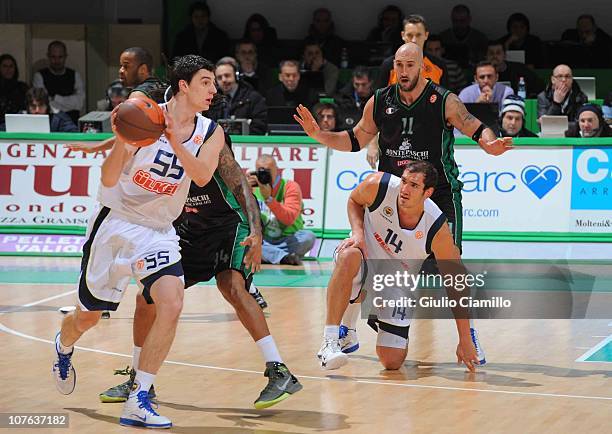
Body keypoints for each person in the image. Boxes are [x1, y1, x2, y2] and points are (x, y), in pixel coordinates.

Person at [52, 54, 224, 429]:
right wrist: (116, 143)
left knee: (173, 302)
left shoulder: (211, 132)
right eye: (206, 82)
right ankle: (64, 346)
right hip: (116, 221)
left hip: (159, 229)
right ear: (184, 85)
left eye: (214, 83)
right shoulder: (140, 114)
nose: (214, 89)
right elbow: (110, 180)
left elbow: (200, 176)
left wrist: (173, 141)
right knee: (88, 317)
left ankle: (139, 396)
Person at [99, 134, 302, 409]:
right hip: (190, 230)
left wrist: (256, 232)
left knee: (231, 286)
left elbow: (243, 188)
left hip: (229, 226)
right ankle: (139, 378)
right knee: (145, 297)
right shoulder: (156, 143)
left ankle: (279, 370)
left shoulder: (211, 139)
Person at [295, 42, 512, 253]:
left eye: (409, 64)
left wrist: (489, 143)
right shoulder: (380, 100)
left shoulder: (445, 100)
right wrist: (319, 135)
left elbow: (478, 128)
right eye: (399, 64)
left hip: (437, 193)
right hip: (394, 195)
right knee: (382, 267)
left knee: (447, 265)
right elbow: (355, 140)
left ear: (421, 67)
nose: (404, 70)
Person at [317, 161, 481, 371]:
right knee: (349, 255)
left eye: (414, 185)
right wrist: (358, 232)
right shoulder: (378, 185)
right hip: (364, 259)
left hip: (397, 282)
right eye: (404, 181)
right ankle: (331, 340)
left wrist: (465, 339)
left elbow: (456, 283)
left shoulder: (437, 227)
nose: (404, 190)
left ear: (427, 192)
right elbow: (354, 200)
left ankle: (381, 319)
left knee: (392, 360)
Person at [249, 154, 316, 266]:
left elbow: (288, 219)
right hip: (263, 239)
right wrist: (244, 191)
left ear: (277, 170)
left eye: (268, 171)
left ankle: (268, 255)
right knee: (246, 241)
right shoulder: (252, 189)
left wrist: (269, 199)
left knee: (308, 237)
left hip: (287, 239)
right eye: (260, 171)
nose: (264, 175)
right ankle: (283, 257)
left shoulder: (290, 187)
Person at [374, 15, 448, 90]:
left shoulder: (439, 65)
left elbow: (447, 99)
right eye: (409, 35)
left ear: (426, 35)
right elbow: (379, 99)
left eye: (418, 35)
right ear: (403, 35)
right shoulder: (389, 65)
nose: (414, 40)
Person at [205, 57, 267, 135]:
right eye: (219, 77)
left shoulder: (254, 98)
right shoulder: (212, 100)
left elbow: (260, 126)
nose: (223, 80)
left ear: (237, 76)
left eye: (227, 75)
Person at [32, 40, 85, 125]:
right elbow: (43, 104)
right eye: (53, 57)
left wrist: (55, 98)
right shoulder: (39, 76)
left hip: (72, 123)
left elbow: (79, 103)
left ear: (65, 56)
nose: (57, 61)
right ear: (48, 56)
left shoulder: (75, 75)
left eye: (60, 57)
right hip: (49, 124)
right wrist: (70, 103)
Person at [0, 53, 29, 128]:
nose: (8, 69)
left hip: (19, 125)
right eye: (5, 66)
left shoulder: (22, 87)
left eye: (11, 66)